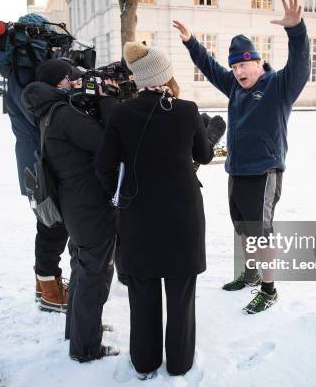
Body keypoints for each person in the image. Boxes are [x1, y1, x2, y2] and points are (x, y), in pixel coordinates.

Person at [172, 0, 310, 314]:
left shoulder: (278, 86)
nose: (237, 71)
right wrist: (192, 42)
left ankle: (269, 288)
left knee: (261, 234)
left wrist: (297, 30)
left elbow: (301, 66)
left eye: (243, 63)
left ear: (258, 62)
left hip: (264, 172)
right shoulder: (234, 87)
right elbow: (209, 66)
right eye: (234, 66)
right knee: (242, 229)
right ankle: (249, 274)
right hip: (236, 170)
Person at [95, 41, 225, 378]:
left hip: (138, 219)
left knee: (143, 294)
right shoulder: (186, 110)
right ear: (166, 76)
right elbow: (205, 155)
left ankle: (144, 362)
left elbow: (103, 166)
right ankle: (180, 363)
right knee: (181, 295)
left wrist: (121, 196)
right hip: (183, 218)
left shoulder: (122, 113)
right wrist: (209, 132)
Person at [22, 59, 120, 362]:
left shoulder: (50, 112)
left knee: (82, 269)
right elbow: (107, 143)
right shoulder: (63, 114)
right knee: (95, 274)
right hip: (89, 206)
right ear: (58, 83)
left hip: (75, 205)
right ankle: (86, 347)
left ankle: (79, 331)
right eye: (70, 78)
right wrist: (106, 100)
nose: (76, 82)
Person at [0, 13, 69, 313]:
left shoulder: (19, 72)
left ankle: (46, 284)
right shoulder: (21, 76)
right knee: (51, 223)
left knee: (51, 222)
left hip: (36, 159)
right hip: (37, 163)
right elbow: (40, 114)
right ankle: (49, 290)